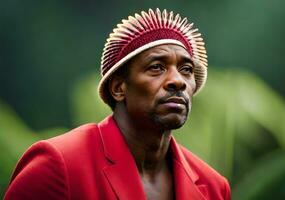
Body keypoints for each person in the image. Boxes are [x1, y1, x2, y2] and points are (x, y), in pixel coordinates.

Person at [5, 8, 231, 200]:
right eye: (156, 67)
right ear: (118, 88)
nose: (177, 81)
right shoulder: (58, 165)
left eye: (186, 70)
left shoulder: (213, 187)